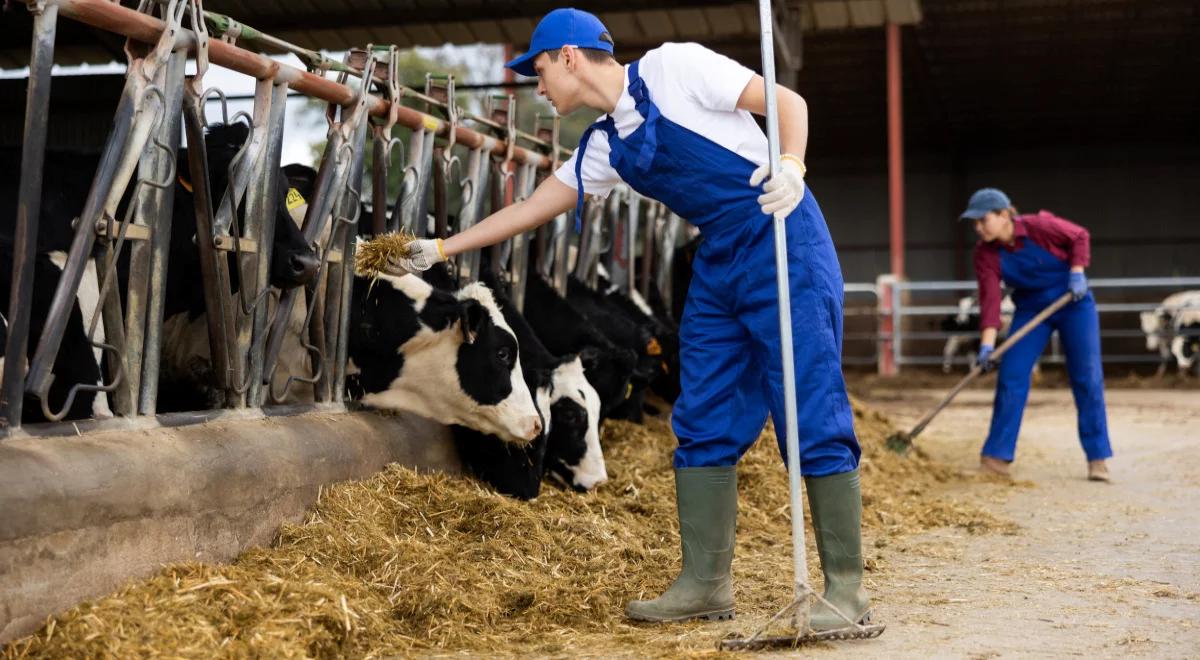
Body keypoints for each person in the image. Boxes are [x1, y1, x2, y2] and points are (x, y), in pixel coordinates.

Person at [393, 9, 870, 628]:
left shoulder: (677, 67)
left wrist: (793, 167)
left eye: (537, 70)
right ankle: (705, 583)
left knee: (806, 404)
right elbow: (535, 206)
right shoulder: (605, 144)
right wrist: (443, 249)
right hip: (719, 259)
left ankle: (846, 591)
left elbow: (788, 102)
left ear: (568, 56)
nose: (537, 87)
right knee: (702, 410)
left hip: (782, 235)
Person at [962, 188, 1113, 482]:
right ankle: (997, 457)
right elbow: (990, 300)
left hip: (1073, 302)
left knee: (1087, 375)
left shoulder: (1037, 226)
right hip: (1031, 309)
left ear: (1005, 214)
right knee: (1012, 374)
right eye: (975, 223)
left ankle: (1097, 457)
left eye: (983, 220)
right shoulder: (985, 253)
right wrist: (987, 346)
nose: (978, 227)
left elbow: (1079, 235)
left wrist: (1078, 271)